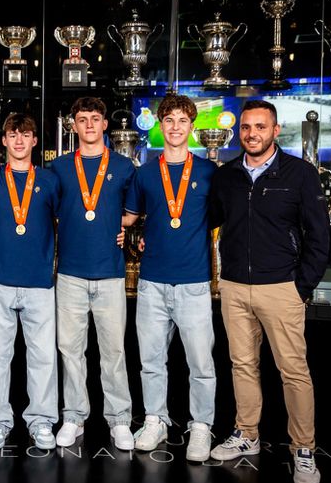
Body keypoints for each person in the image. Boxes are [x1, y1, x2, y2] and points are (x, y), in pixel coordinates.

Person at [209, 100, 329, 483]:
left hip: (281, 288)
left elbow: (319, 236)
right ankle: (247, 434)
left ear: (275, 131)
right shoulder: (226, 176)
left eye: (260, 127)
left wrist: (301, 287)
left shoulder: (300, 173)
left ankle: (303, 449)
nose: (252, 134)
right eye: (246, 127)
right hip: (234, 287)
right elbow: (207, 221)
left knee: (293, 372)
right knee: (242, 365)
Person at [121, 94, 217, 460]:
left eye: (182, 120)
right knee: (151, 360)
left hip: (193, 282)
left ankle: (201, 426)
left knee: (201, 363)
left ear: (192, 127)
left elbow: (220, 219)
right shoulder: (145, 173)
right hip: (152, 282)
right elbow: (130, 218)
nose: (175, 127)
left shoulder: (208, 172)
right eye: (169, 120)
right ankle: (155, 420)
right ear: (160, 127)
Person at [50, 97, 136, 450]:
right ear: (73, 125)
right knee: (71, 351)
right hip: (70, 274)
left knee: (113, 352)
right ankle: (74, 416)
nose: (88, 124)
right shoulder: (58, 167)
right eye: (82, 119)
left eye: (95, 118)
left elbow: (133, 212)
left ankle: (119, 419)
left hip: (110, 273)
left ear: (104, 125)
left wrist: (122, 227)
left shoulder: (124, 166)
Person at [0, 113, 60, 451]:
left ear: (34, 141)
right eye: (12, 135)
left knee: (42, 357)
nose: (18, 140)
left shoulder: (50, 180)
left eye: (25, 134)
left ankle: (41, 420)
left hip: (39, 281)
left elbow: (68, 220)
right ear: (3, 141)